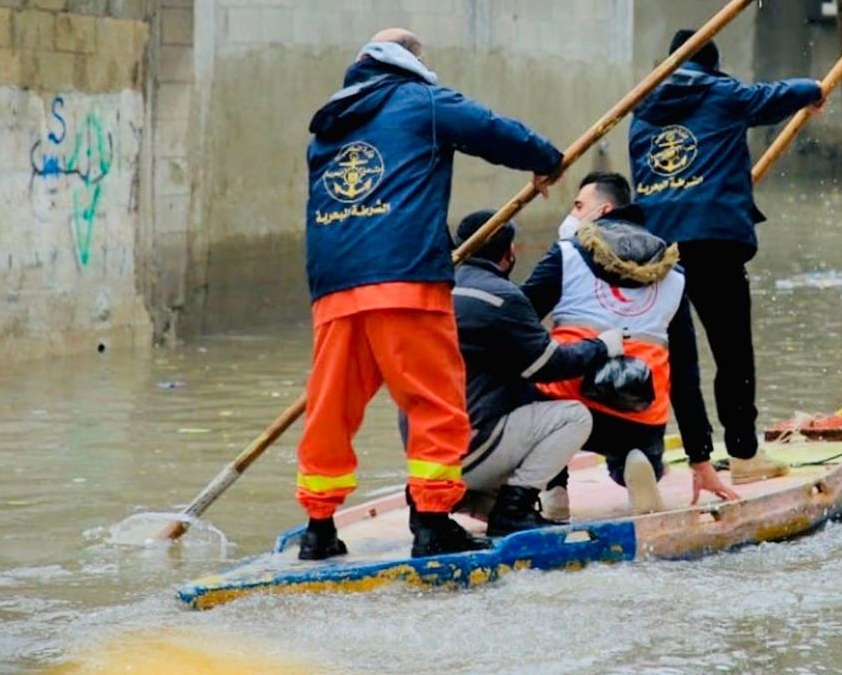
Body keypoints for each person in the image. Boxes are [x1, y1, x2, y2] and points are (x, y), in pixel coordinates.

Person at [296, 28, 563, 560]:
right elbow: (491, 129)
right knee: (434, 400)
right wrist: (546, 158)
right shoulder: (422, 100)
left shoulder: (327, 125)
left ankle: (318, 529)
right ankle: (433, 522)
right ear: (412, 62)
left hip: (334, 285)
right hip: (405, 276)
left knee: (331, 407)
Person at [628, 30, 822, 484]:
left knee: (670, 357)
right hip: (712, 240)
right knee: (732, 353)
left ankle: (656, 452)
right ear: (713, 65)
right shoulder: (721, 92)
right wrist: (814, 89)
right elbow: (775, 96)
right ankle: (743, 453)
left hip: (655, 248)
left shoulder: (640, 109)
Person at [524, 172, 740, 514]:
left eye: (578, 206)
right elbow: (686, 376)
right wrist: (700, 459)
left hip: (567, 407)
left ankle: (554, 488)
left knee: (523, 363)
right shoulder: (673, 274)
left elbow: (514, 325)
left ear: (603, 210)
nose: (572, 214)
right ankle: (636, 463)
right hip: (637, 417)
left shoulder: (565, 254)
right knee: (641, 439)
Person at [450, 209, 619, 536]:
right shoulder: (501, 296)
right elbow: (549, 366)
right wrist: (601, 347)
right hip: (470, 450)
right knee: (574, 417)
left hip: (428, 457)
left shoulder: (441, 290)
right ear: (509, 252)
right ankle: (513, 509)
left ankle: (470, 500)